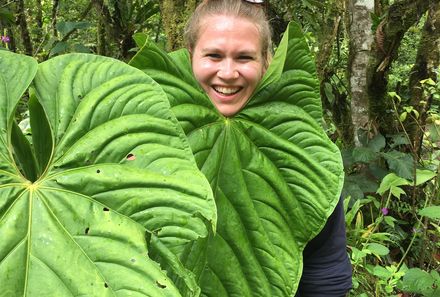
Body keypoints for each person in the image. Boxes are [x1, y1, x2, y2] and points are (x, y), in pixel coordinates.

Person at [184, 0, 352, 296]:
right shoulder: (153, 129)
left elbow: (326, 273)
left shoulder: (299, 145)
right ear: (190, 56)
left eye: (244, 58)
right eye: (213, 55)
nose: (227, 72)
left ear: (267, 60)